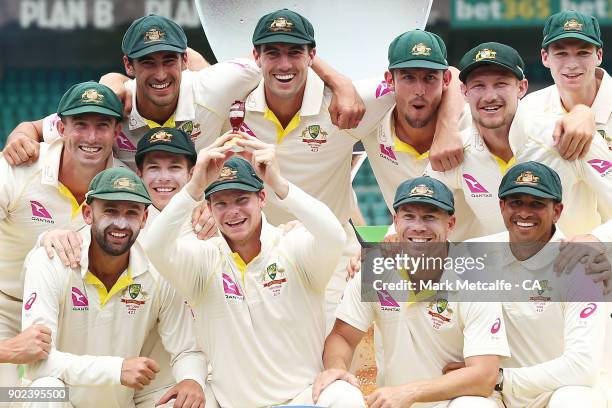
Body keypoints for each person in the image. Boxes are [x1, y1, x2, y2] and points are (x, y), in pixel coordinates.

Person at [143, 133, 365, 407]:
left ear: (262, 198)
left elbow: (333, 235)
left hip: (302, 398)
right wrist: (194, 186)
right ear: (209, 207)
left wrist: (279, 184)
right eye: (221, 203)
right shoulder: (203, 262)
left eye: (241, 199)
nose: (232, 212)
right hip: (230, 402)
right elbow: (154, 246)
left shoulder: (293, 247)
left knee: (346, 397)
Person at [315, 176, 510, 408]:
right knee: (336, 391)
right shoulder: (375, 268)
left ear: (451, 224)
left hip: (449, 402)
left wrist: (410, 393)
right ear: (396, 221)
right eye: (409, 216)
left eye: (430, 216)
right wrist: (337, 369)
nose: (418, 226)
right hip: (393, 403)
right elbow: (343, 337)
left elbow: (484, 376)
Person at [21, 167, 207, 408]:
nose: (121, 223)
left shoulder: (158, 270)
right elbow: (37, 362)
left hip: (123, 401)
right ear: (88, 213)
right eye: (110, 211)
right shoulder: (50, 261)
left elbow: (186, 350)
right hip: (51, 397)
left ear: (144, 218)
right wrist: (116, 369)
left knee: (188, 399)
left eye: (131, 213)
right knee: (45, 391)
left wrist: (192, 380)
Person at [449, 162, 608, 408]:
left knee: (574, 401)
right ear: (501, 206)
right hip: (497, 395)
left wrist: (500, 378)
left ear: (557, 210)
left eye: (537, 204)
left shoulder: (583, 265)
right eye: (516, 202)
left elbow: (582, 367)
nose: (524, 213)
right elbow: (418, 265)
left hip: (558, 391)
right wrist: (384, 247)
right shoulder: (473, 254)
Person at [0, 81, 125, 387]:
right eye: (80, 125)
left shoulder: (126, 187)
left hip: (73, 317)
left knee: (48, 396)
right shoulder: (18, 168)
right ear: (60, 127)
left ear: (117, 132)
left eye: (102, 126)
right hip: (5, 305)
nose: (91, 137)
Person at [521, 10, 611, 150]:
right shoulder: (529, 109)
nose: (572, 64)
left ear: (599, 56)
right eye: (561, 53)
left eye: (583, 53)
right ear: (545, 57)